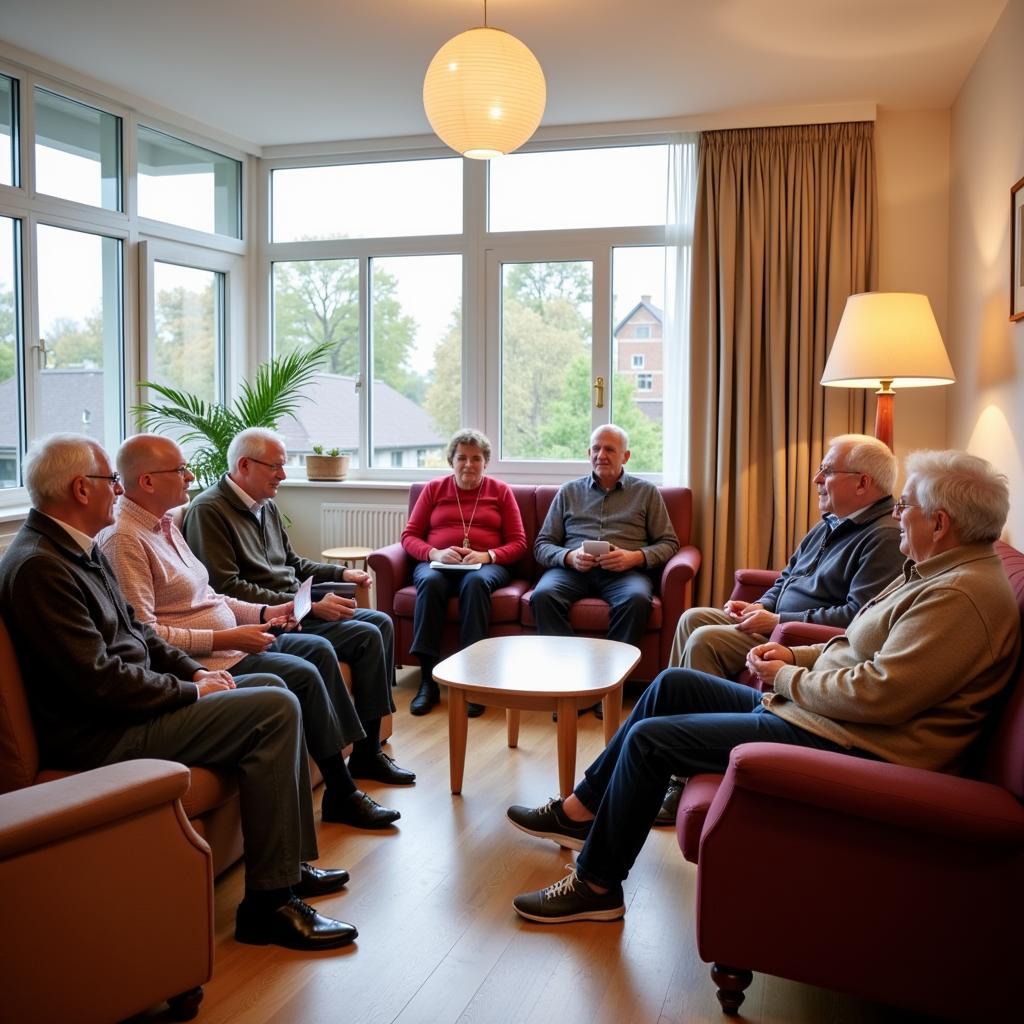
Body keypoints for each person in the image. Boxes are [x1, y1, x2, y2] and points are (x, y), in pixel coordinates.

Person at [507, 450, 1020, 924]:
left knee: (650, 739)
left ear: (940, 522)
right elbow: (856, 641)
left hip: (856, 741)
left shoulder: (959, 597)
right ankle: (581, 811)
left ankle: (598, 886)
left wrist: (788, 678)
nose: (898, 512)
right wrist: (794, 653)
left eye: (905, 504)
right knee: (671, 685)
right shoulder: (931, 571)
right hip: (826, 715)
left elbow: (879, 694)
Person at [0, 434, 358, 951]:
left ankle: (289, 868)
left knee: (271, 682)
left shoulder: (72, 547)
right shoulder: (40, 565)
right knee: (274, 705)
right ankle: (268, 905)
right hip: (102, 733)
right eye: (109, 482)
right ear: (81, 489)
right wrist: (188, 693)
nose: (116, 490)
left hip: (132, 707)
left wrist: (194, 674)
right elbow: (98, 679)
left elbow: (138, 632)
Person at [98, 433, 399, 829]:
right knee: (314, 665)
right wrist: (230, 637)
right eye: (180, 470)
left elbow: (212, 596)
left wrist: (269, 610)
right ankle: (343, 788)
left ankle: (354, 768)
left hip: (239, 633)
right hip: (208, 656)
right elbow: (147, 632)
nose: (190, 477)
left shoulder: (165, 525)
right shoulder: (126, 539)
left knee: (373, 624)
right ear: (148, 482)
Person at [657, 432, 903, 824]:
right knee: (693, 617)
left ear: (862, 483)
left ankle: (684, 768)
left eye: (826, 471)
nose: (816, 480)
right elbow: (787, 578)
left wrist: (779, 621)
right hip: (774, 622)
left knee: (705, 639)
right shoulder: (831, 523)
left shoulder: (883, 537)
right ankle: (677, 758)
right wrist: (759, 605)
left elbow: (859, 617)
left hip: (798, 637)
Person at [183, 427, 414, 788]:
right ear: (244, 465)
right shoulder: (209, 511)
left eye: (283, 465)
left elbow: (292, 563)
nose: (283, 475)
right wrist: (300, 606)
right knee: (367, 636)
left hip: (297, 604)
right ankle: (363, 756)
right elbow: (226, 587)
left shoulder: (267, 506)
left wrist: (340, 573)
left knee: (380, 623)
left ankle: (370, 751)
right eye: (275, 466)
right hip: (273, 616)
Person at [530, 424, 678, 716]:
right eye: (596, 449)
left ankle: (605, 688)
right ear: (588, 453)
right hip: (573, 571)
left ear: (626, 456)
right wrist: (570, 557)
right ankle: (570, 686)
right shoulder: (568, 492)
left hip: (624, 572)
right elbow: (543, 544)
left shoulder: (646, 492)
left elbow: (669, 543)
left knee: (637, 601)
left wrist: (634, 557)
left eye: (609, 449)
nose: (601, 455)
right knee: (543, 596)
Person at [400, 428, 527, 716]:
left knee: (475, 583)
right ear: (451, 461)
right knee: (430, 583)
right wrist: (434, 553)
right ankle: (427, 682)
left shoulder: (500, 491)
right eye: (462, 458)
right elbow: (409, 537)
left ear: (485, 462)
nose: (468, 464)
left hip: (485, 567)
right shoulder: (434, 489)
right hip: (438, 564)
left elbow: (519, 543)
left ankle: (473, 682)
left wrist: (486, 555)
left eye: (476, 458)